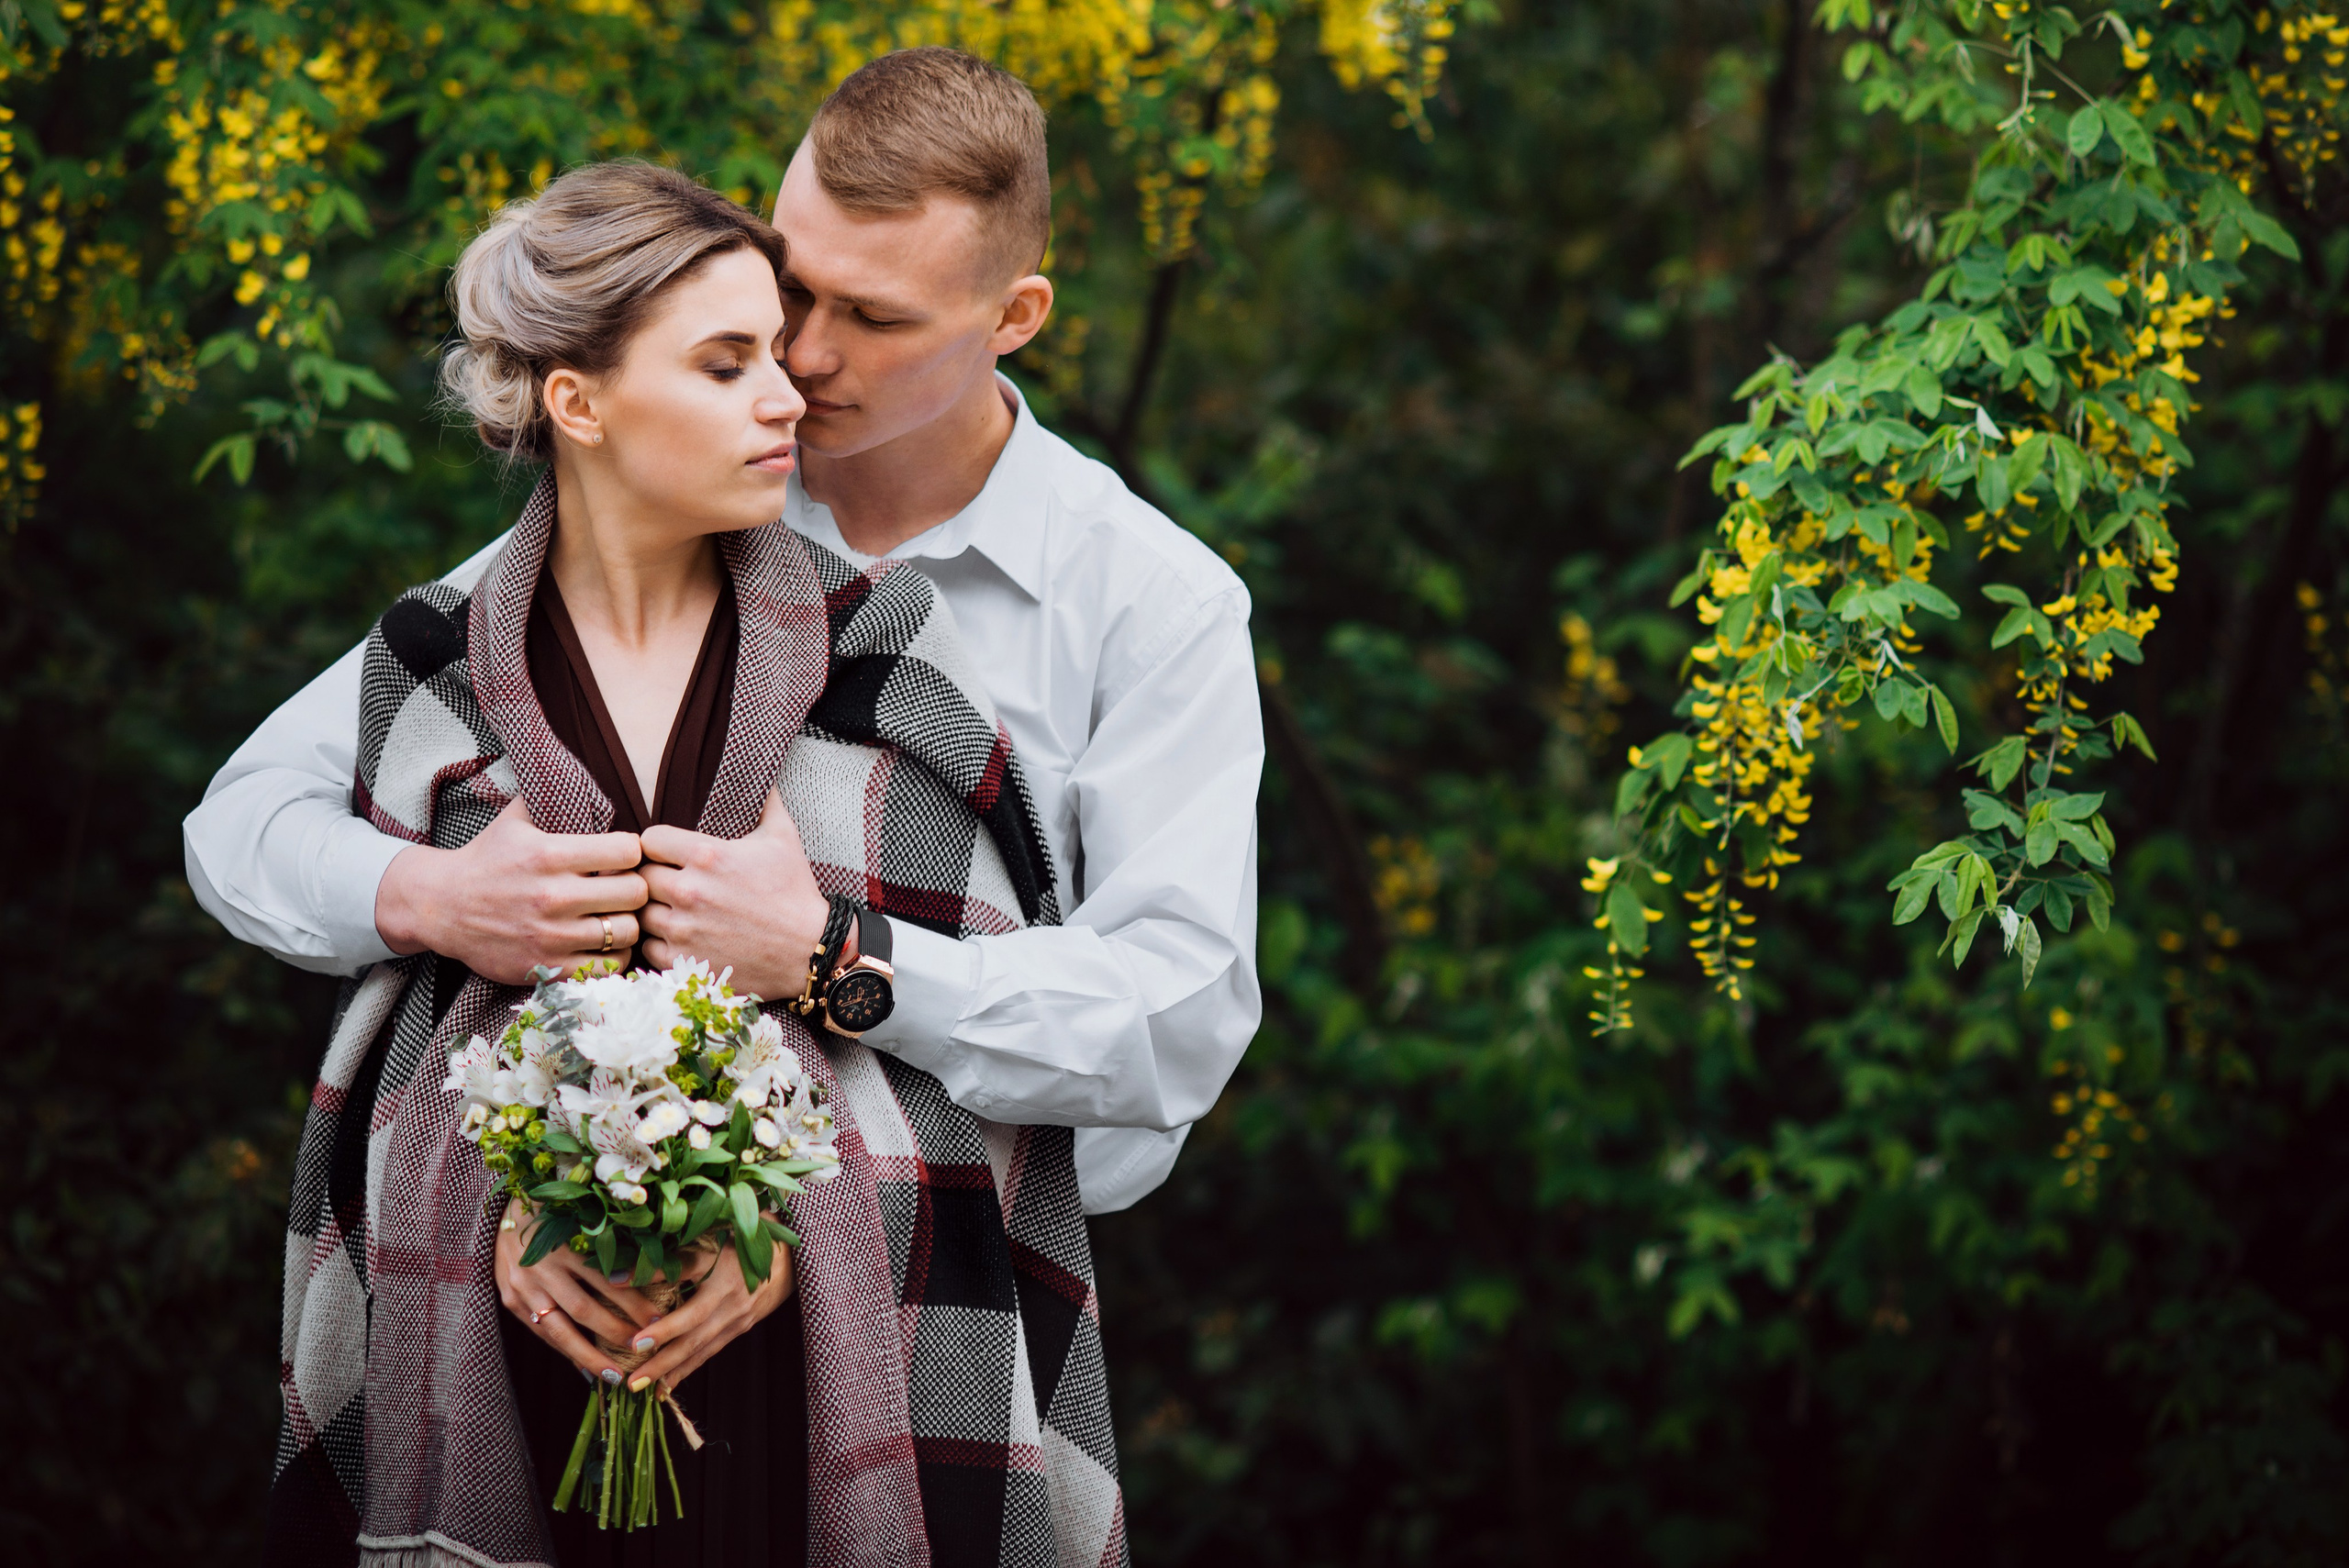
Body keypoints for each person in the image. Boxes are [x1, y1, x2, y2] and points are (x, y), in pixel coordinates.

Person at [197, 48, 1261, 1568]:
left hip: (948, 1281)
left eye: (872, 319)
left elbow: (1179, 1014)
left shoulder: (1147, 603)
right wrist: (437, 901)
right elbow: (247, 818)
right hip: (557, 1284)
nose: (805, 361)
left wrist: (839, 960)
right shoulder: (676, 494)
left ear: (1015, 316)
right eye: (789, 290)